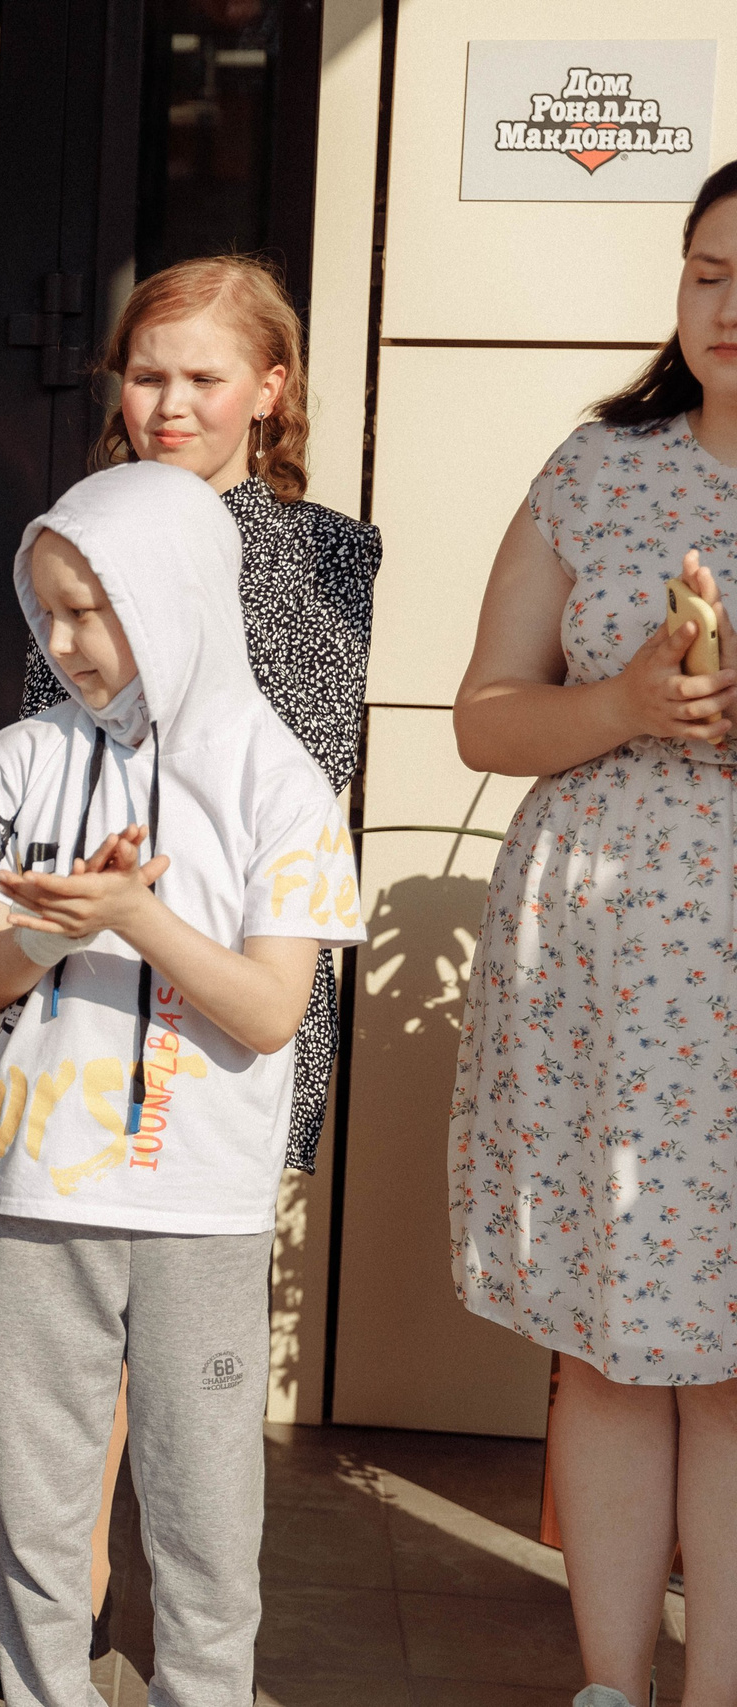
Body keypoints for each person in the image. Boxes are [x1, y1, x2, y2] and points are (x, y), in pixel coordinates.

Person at [0, 461, 363, 1703]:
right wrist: (63, 929)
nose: (63, 643)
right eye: (46, 610)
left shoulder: (283, 781)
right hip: (29, 1192)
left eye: (92, 610)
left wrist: (135, 915)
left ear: (174, 597)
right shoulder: (19, 760)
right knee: (38, 1512)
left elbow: (270, 1011)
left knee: (204, 1513)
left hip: (199, 1205)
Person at [9, 253, 383, 1680]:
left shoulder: (326, 552)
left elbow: (304, 774)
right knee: (71, 1340)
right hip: (84, 969)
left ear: (271, 388)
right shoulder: (79, 532)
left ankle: (198, 1646)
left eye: (203, 377)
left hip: (240, 961)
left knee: (193, 1360)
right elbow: (66, 737)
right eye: (146, 372)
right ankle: (67, 1614)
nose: (168, 401)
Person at [446, 160, 737, 1707]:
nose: (728, 303)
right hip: (612, 982)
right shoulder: (600, 468)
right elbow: (484, 715)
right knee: (620, 1344)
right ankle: (614, 1687)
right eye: (707, 270)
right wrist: (626, 702)